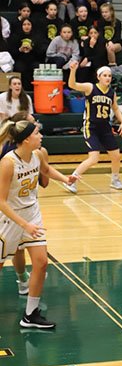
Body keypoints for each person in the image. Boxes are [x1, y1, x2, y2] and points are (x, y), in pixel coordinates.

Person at [0, 118, 78, 329]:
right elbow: (1, 202)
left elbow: (46, 171)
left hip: (32, 214)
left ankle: (30, 314)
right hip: (9, 219)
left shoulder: (36, 155)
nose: (41, 136)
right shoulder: (8, 163)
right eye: (37, 133)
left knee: (41, 263)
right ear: (26, 139)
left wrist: (65, 179)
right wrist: (24, 225)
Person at [1, 112, 50, 298]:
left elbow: (45, 177)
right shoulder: (7, 156)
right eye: (33, 125)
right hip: (7, 211)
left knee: (33, 255)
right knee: (15, 251)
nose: (38, 129)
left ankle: (26, 290)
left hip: (26, 208)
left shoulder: (37, 153)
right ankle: (22, 278)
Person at [63, 63, 122, 193]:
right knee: (94, 158)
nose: (107, 78)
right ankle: (71, 180)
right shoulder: (90, 87)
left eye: (109, 76)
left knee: (116, 155)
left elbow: (115, 108)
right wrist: (73, 71)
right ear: (99, 77)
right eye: (105, 75)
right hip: (90, 127)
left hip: (105, 127)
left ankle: (115, 180)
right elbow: (72, 85)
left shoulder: (111, 92)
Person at [9, 18, 44, 91]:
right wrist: (20, 50)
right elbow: (11, 52)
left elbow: (41, 53)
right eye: (24, 24)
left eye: (28, 24)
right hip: (20, 59)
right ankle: (22, 88)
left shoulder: (37, 36)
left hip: (33, 59)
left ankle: (35, 89)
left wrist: (32, 49)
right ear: (21, 26)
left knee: (36, 66)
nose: (26, 26)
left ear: (32, 26)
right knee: (20, 67)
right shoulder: (15, 36)